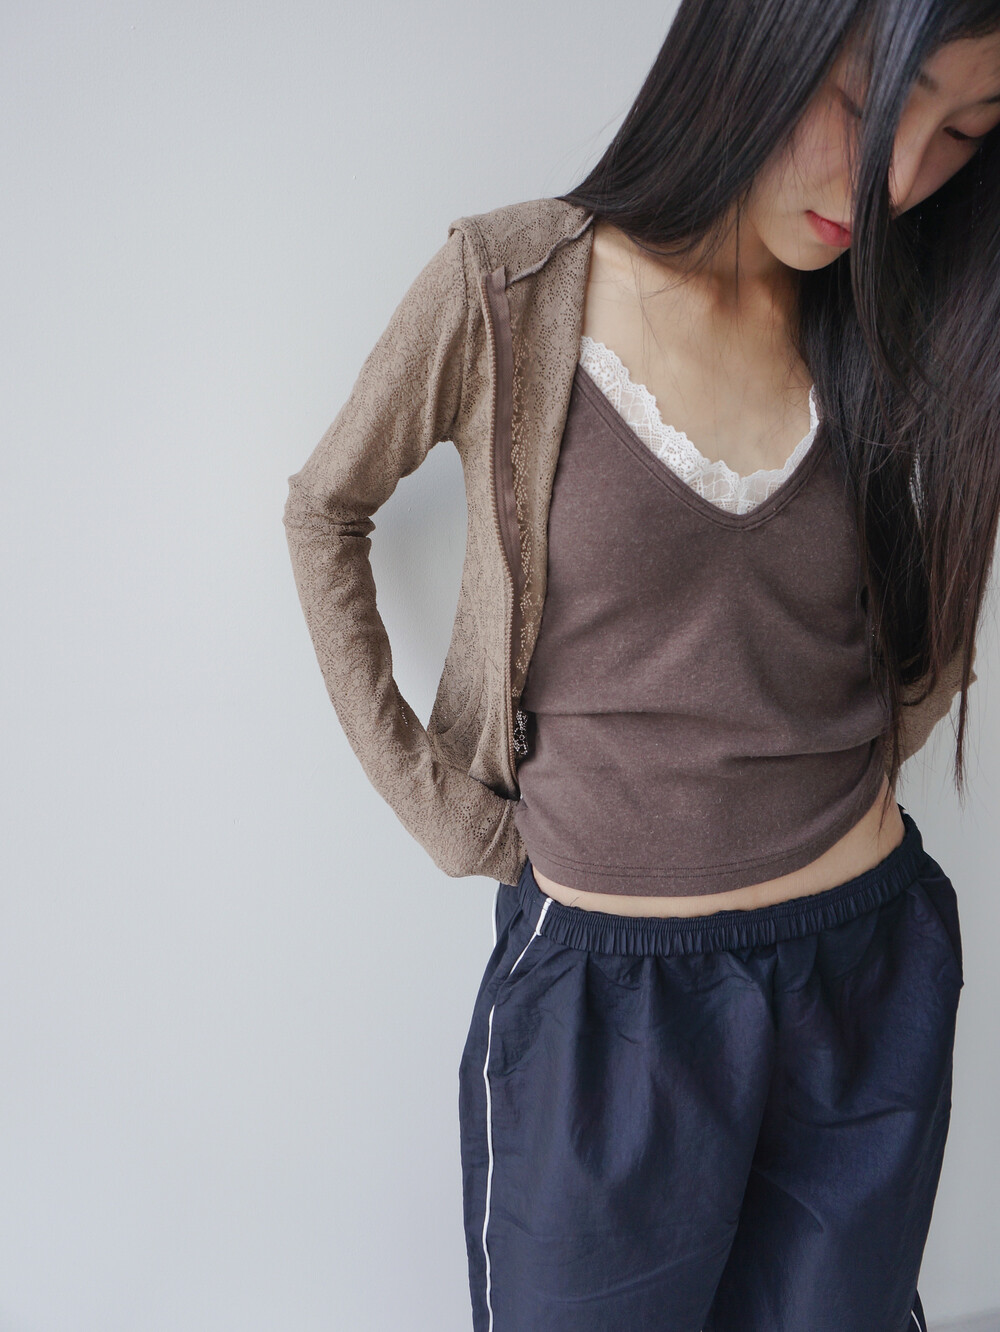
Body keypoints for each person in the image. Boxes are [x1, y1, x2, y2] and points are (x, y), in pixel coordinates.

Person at [282, 2, 1000, 1328]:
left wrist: (883, 738)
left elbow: (945, 570)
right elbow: (325, 508)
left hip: (866, 969)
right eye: (870, 105)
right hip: (607, 1008)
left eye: (966, 131)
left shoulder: (889, 316)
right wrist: (440, 805)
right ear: (759, 40)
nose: (902, 179)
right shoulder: (508, 288)